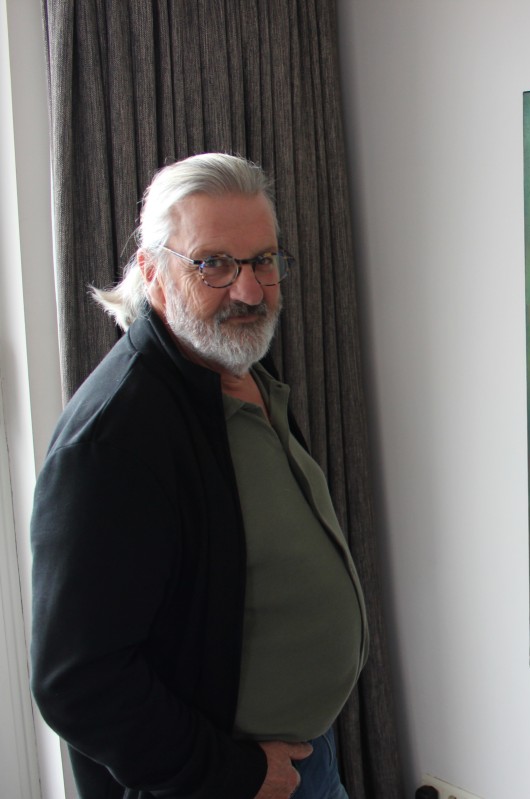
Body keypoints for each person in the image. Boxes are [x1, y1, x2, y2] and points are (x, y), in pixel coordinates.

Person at [30, 153, 368, 799]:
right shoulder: (113, 441)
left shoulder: (235, 366)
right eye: (213, 264)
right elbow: (77, 681)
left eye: (263, 260)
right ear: (152, 273)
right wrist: (233, 774)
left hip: (303, 756)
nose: (250, 291)